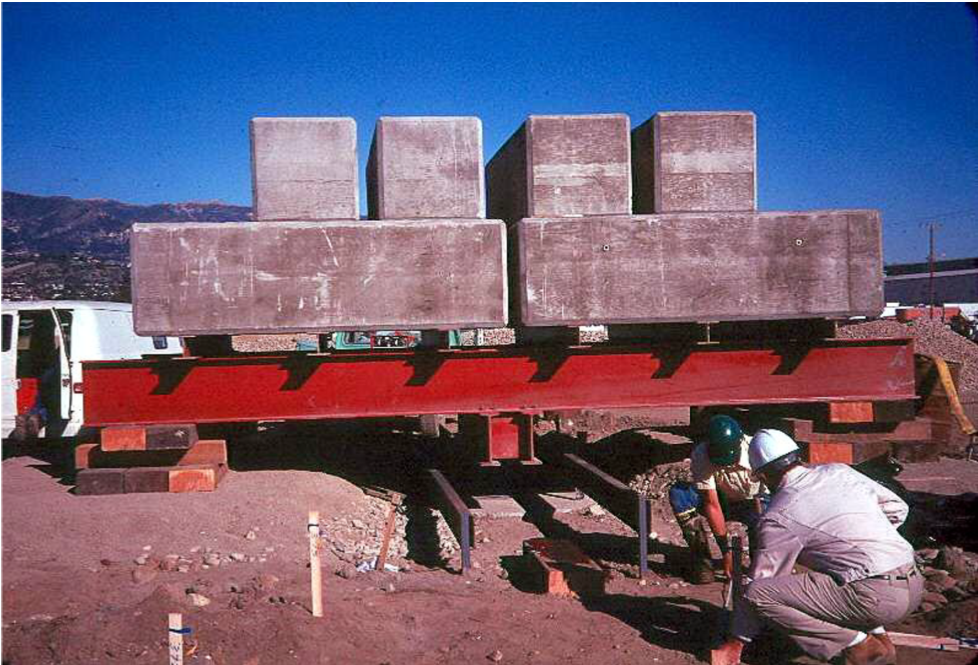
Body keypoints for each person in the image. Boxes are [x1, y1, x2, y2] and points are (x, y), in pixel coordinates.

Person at [713, 429, 923, 665]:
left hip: (876, 597)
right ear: (796, 456)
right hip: (914, 582)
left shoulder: (779, 515)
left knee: (759, 593)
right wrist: (864, 541)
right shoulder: (838, 471)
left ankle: (858, 646)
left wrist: (737, 640)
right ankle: (880, 641)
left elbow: (761, 584)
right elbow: (897, 508)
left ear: (762, 475)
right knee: (833, 574)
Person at [668, 414, 768, 584]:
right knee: (681, 495)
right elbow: (711, 503)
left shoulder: (758, 449)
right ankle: (703, 563)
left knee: (766, 519)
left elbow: (777, 492)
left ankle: (761, 565)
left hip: (756, 501)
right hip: (723, 500)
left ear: (740, 442)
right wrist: (726, 551)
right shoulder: (702, 454)